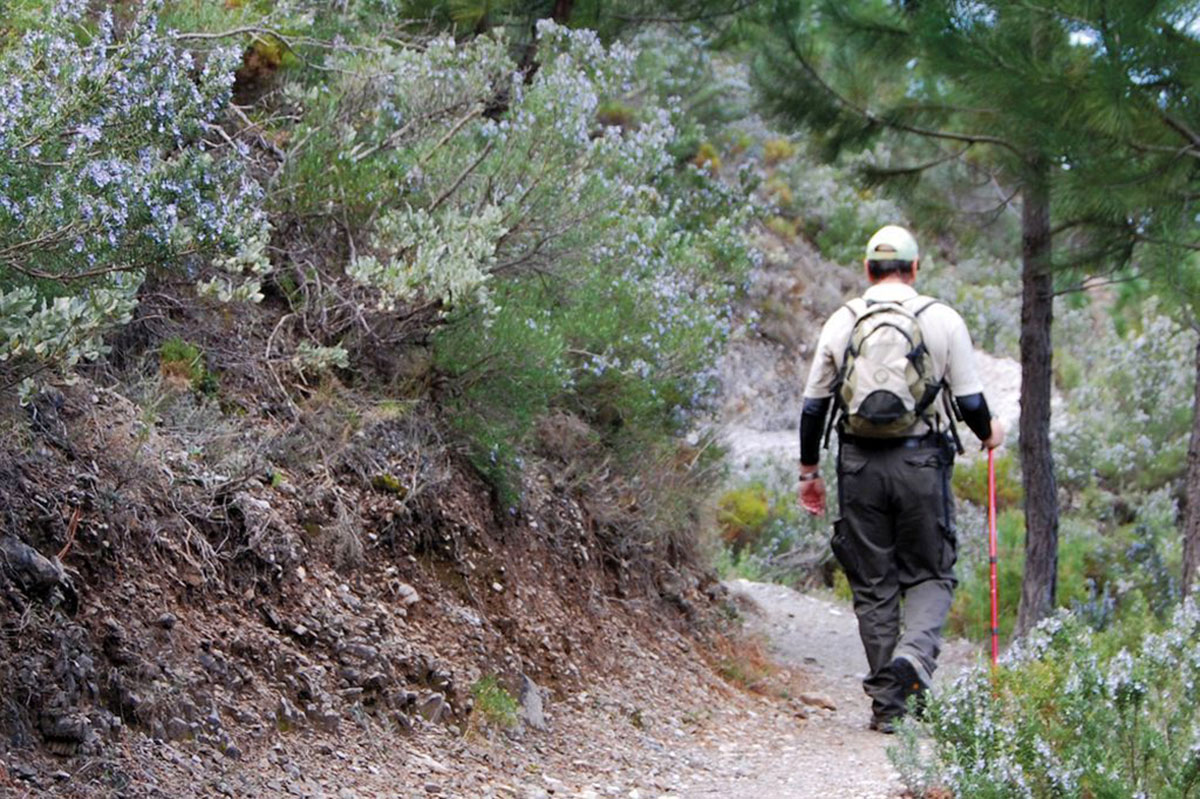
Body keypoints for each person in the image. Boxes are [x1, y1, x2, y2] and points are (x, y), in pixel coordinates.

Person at [797, 224, 1003, 733]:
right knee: (931, 572)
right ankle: (913, 657)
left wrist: (809, 474)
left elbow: (812, 408)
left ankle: (890, 706)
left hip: (859, 465)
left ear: (867, 270)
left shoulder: (842, 321)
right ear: (915, 268)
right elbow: (971, 401)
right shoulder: (942, 319)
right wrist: (989, 432)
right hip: (921, 463)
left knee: (873, 583)